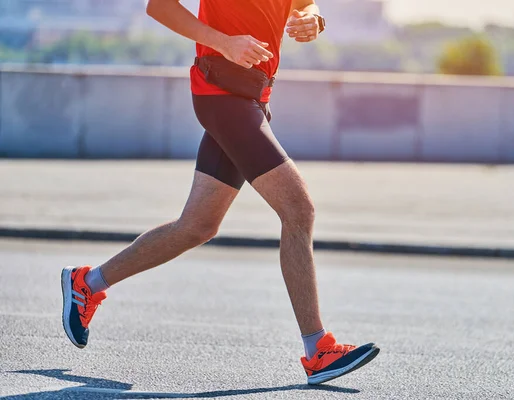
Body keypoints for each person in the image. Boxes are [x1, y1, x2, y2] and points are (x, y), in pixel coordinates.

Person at [61, 0, 379, 385]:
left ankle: (87, 283)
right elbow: (159, 7)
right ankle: (318, 350)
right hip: (221, 94)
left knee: (197, 226)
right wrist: (224, 43)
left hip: (252, 99)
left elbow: (304, 5)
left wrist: (311, 20)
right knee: (299, 209)